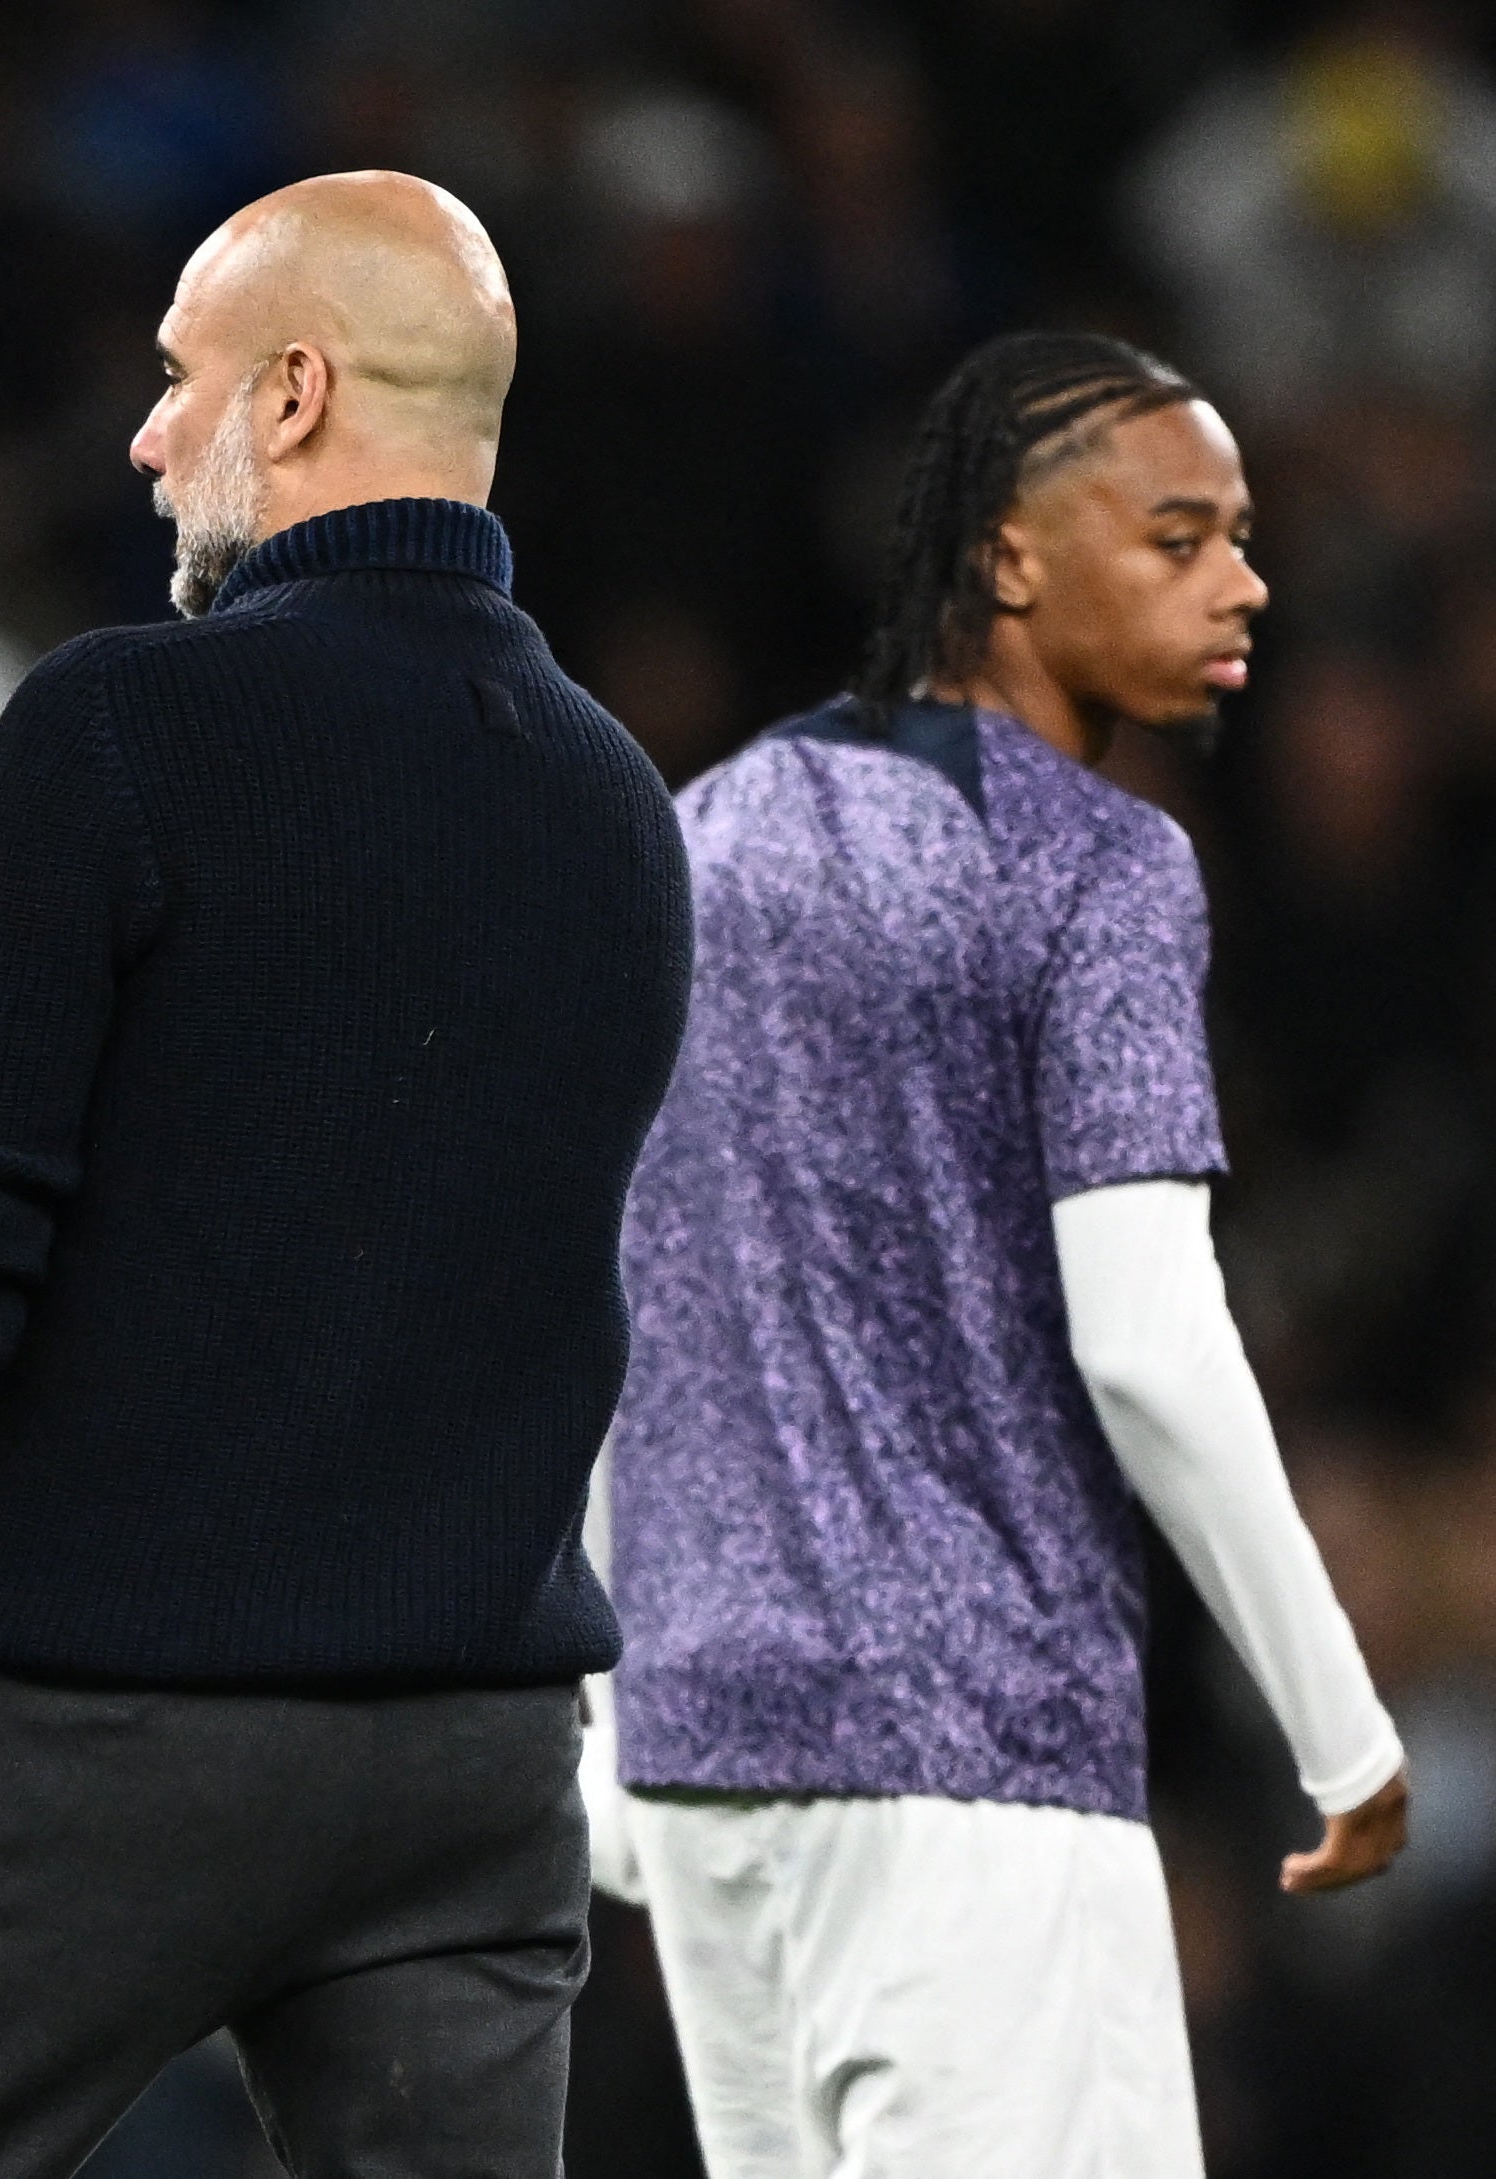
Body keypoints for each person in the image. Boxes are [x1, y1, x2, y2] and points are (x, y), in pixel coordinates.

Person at [0, 171, 694, 2179]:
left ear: (292, 390)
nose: (145, 434)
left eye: (176, 381)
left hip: (108, 1716)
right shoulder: (619, 807)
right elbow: (328, 1236)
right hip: (472, 1758)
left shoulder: (118, 729)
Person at [592, 329, 1412, 2179]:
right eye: (1182, 537)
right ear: (1013, 561)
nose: (1245, 581)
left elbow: (607, 1290)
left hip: (706, 1767)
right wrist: (1339, 1725)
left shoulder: (697, 836)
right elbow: (1147, 1341)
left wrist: (601, 1724)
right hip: (977, 1775)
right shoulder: (1096, 866)